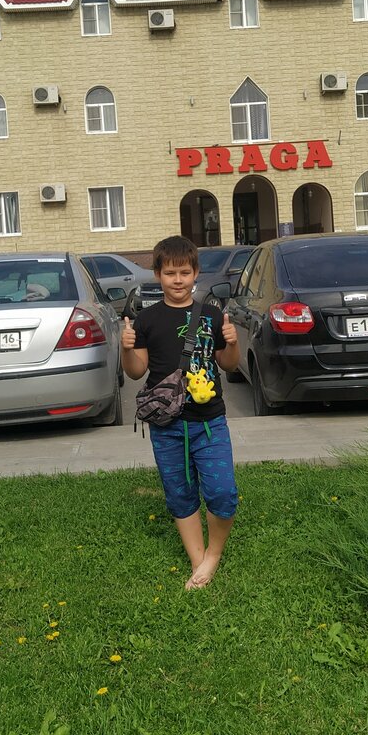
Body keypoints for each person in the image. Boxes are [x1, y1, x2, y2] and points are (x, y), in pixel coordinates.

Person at [121, 234, 240, 590]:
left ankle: (213, 554)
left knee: (222, 492)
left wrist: (232, 341)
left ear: (196, 273)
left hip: (210, 422)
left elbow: (229, 365)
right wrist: (126, 349)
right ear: (158, 274)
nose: (177, 280)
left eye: (184, 273)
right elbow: (136, 372)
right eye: (170, 273)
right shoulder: (147, 320)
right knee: (179, 493)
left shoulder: (212, 315)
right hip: (167, 425)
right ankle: (198, 561)